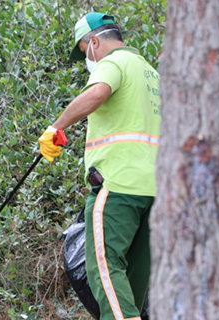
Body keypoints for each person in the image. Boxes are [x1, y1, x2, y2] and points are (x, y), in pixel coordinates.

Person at [38, 12, 161, 320]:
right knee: (135, 279)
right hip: (155, 191)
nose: (86, 60)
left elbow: (97, 93)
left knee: (104, 267)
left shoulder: (113, 63)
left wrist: (56, 128)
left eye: (83, 51)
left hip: (118, 186)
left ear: (94, 41)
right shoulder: (150, 74)